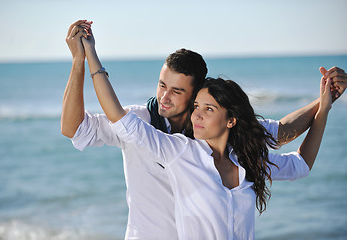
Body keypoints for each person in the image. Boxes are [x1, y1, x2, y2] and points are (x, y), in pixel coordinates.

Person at [61, 20, 347, 239]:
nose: (164, 98)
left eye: (176, 91)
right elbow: (76, 128)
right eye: (161, 86)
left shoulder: (232, 141)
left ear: (196, 94)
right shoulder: (159, 135)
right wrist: (80, 60)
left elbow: (283, 133)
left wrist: (325, 101)